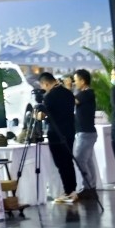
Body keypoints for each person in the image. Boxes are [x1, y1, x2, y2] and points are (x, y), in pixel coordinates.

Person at [38, 72, 78, 203]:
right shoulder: (68, 93)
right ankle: (72, 190)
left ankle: (68, 192)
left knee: (61, 163)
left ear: (45, 84)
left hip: (56, 134)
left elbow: (42, 116)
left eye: (42, 85)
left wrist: (36, 114)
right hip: (70, 131)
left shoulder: (49, 97)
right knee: (68, 161)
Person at [73, 69, 102, 199]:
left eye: (76, 80)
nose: (74, 83)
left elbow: (73, 101)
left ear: (83, 81)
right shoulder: (85, 93)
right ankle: (91, 186)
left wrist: (67, 88)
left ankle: (88, 186)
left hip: (86, 133)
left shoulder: (87, 93)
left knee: (80, 159)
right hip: (85, 132)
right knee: (88, 160)